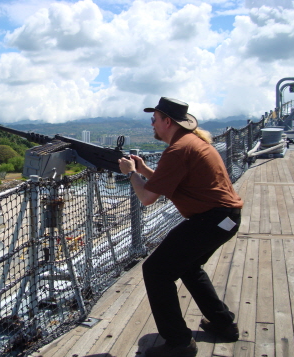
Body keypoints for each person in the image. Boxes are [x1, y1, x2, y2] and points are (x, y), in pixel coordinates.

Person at [119, 97, 243, 357]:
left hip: (212, 220)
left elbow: (147, 198)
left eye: (154, 119)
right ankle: (223, 324)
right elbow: (167, 183)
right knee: (188, 267)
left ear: (167, 121)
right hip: (224, 218)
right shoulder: (189, 144)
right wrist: (143, 169)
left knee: (156, 271)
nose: (152, 124)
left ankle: (179, 343)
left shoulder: (178, 150)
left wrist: (131, 173)